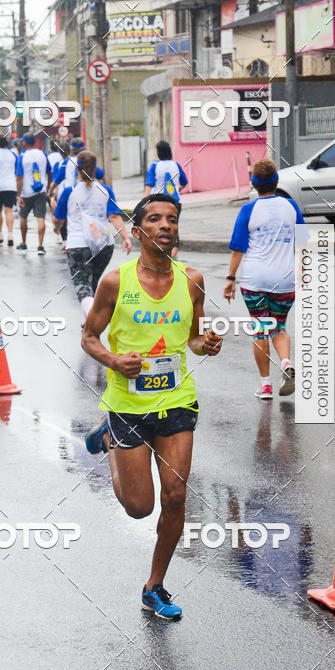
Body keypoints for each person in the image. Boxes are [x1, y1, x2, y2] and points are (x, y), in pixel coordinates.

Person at [82, 194, 222, 620]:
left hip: (177, 401)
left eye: (172, 219)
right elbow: (89, 337)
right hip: (128, 405)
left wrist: (207, 344)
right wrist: (113, 360)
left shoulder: (192, 279)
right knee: (139, 507)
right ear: (139, 231)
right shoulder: (115, 282)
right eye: (156, 219)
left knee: (176, 495)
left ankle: (155, 586)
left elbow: (195, 338)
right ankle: (109, 441)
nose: (166, 225)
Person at [224, 158, 303, 400]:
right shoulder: (291, 207)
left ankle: (266, 385)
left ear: (253, 184)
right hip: (285, 278)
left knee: (260, 330)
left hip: (255, 279)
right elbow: (302, 244)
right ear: (276, 181)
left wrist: (230, 278)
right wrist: (303, 274)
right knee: (278, 326)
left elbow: (238, 248)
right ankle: (286, 362)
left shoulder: (248, 210)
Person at [53, 150, 132, 324]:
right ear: (96, 168)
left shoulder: (69, 191)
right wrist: (125, 237)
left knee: (82, 286)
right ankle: (86, 323)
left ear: (77, 170)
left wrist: (57, 228)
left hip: (77, 245)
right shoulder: (106, 190)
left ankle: (96, 318)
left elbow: (59, 218)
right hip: (103, 245)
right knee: (92, 284)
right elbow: (114, 216)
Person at [16, 133, 51, 254]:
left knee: (23, 216)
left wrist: (19, 195)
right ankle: (40, 246)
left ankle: (24, 243)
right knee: (40, 218)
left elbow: (19, 178)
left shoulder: (22, 157)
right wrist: (48, 186)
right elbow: (49, 172)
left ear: (25, 142)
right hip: (41, 190)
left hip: (27, 192)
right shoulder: (43, 154)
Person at [0, 134, 18, 246]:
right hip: (10, 185)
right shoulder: (13, 154)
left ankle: (0, 235)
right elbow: (16, 169)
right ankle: (10, 235)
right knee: (8, 210)